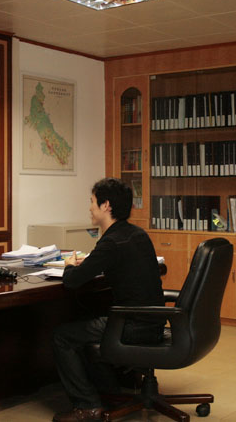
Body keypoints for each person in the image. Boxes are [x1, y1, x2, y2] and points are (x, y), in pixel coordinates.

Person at [52, 178, 165, 422]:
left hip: (131, 325)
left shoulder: (111, 241)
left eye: (92, 202)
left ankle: (87, 405)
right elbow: (116, 262)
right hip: (153, 322)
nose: (90, 208)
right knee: (87, 320)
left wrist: (70, 265)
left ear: (106, 206)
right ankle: (110, 391)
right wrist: (92, 261)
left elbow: (72, 281)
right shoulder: (136, 234)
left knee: (62, 336)